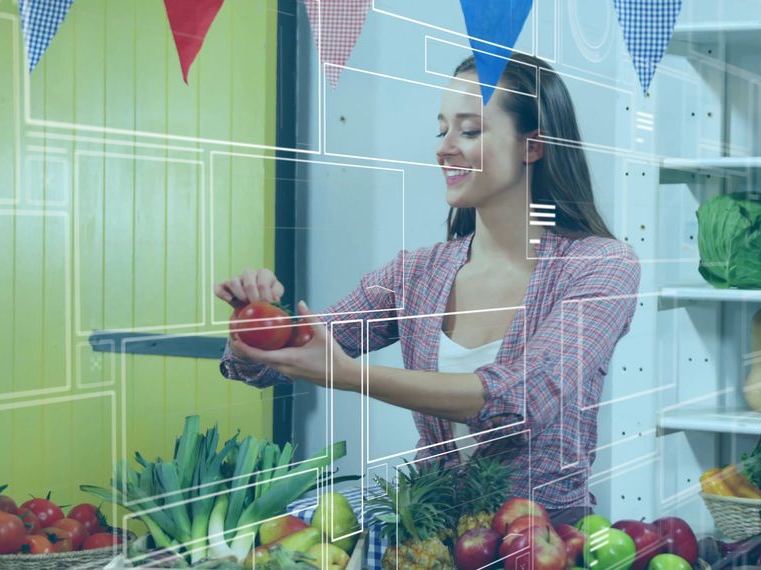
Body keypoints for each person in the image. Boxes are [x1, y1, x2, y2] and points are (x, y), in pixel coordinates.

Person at [215, 53, 640, 524]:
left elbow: (525, 397)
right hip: (426, 537)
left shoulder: (601, 266)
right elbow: (287, 357)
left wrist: (350, 376)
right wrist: (257, 324)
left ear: (533, 146)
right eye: (442, 131)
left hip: (544, 543)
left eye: (470, 131)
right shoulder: (415, 274)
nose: (445, 149)